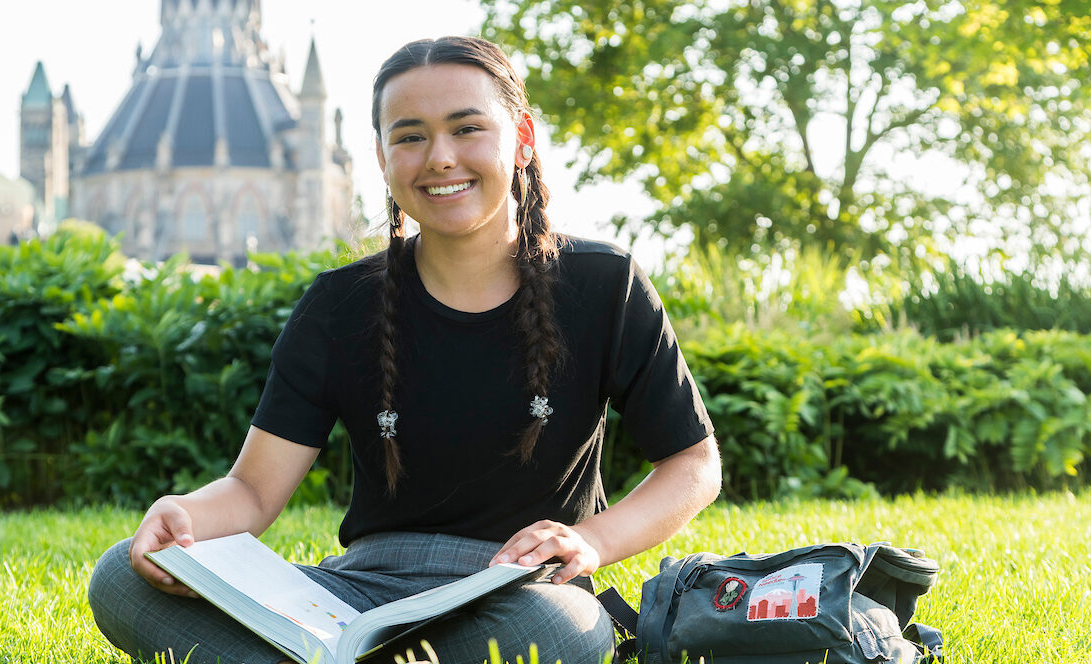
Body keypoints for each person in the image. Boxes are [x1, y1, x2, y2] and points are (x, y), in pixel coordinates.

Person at [87, 35, 722, 664]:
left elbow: (694, 464)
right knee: (123, 574)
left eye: (466, 128)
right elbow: (252, 493)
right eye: (410, 136)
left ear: (522, 137)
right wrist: (183, 514)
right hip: (357, 593)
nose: (440, 158)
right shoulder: (340, 303)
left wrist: (588, 541)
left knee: (565, 631)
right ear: (383, 156)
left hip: (520, 591)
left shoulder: (604, 283)